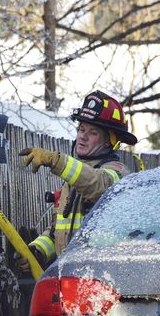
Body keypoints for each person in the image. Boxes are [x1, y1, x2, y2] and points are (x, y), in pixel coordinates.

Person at [18, 91, 137, 269]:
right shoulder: (74, 176)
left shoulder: (117, 173)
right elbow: (58, 232)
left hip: (101, 277)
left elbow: (97, 185)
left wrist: (55, 160)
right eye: (81, 129)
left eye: (93, 132)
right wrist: (38, 251)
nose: (83, 136)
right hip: (70, 279)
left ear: (109, 141)